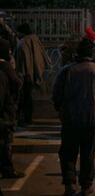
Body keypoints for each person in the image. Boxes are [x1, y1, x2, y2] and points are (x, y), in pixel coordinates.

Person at [53, 38, 95, 196]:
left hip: (71, 119)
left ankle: (70, 183)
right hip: (91, 119)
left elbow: (57, 95)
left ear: (77, 53)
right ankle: (86, 185)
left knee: (68, 152)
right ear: (92, 53)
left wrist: (60, 110)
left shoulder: (67, 71)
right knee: (88, 154)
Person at [14, 23, 50, 126]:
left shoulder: (22, 42)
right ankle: (28, 119)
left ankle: (22, 119)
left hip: (25, 74)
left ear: (22, 32)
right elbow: (41, 56)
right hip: (32, 73)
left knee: (23, 97)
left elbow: (21, 61)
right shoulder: (35, 40)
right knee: (28, 97)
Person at [0, 38, 24, 179]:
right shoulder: (5, 67)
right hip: (5, 115)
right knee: (5, 144)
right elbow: (17, 83)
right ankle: (7, 169)